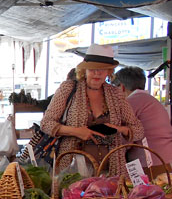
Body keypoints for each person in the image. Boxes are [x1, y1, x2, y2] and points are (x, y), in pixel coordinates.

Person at [41, 44, 144, 175]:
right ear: (85, 70)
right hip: (74, 168)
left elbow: (139, 130)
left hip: (111, 169)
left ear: (109, 72)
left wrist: (119, 129)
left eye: (102, 69)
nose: (97, 73)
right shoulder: (68, 89)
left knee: (109, 195)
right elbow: (46, 123)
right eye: (92, 69)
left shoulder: (115, 94)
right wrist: (76, 131)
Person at [112, 66, 172, 175]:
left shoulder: (130, 102)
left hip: (147, 164)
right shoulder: (152, 100)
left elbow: (125, 140)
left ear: (122, 87)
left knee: (143, 191)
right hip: (166, 160)